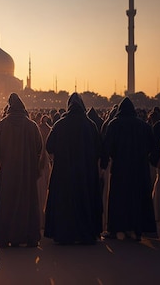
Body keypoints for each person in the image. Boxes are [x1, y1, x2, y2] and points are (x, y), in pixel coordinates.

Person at [44, 93, 103, 245]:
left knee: (65, 203)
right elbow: (99, 149)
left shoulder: (60, 124)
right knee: (84, 201)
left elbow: (49, 146)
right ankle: (85, 234)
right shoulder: (90, 125)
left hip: (64, 173)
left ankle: (64, 234)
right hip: (85, 173)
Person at [100, 97, 157, 240]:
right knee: (137, 197)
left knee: (119, 198)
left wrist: (104, 163)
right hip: (140, 168)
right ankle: (136, 229)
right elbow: (153, 146)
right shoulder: (143, 126)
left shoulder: (114, 124)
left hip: (120, 167)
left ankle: (118, 229)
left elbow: (107, 147)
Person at [0, 93, 43, 247]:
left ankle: (6, 236)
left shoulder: (1, 125)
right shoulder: (31, 126)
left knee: (7, 202)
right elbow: (39, 147)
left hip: (8, 172)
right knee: (26, 202)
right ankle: (26, 236)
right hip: (26, 172)